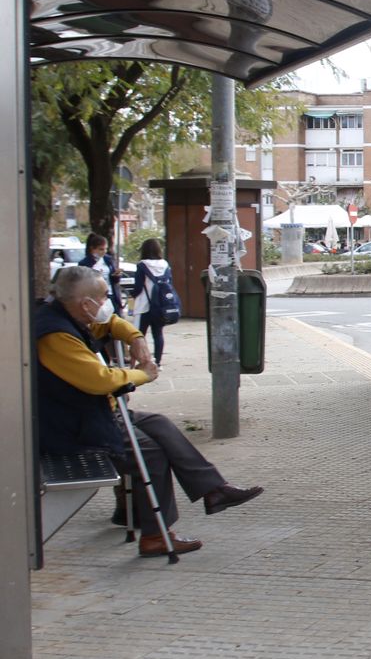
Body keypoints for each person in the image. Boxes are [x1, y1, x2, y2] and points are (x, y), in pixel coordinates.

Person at [37, 266, 263, 557]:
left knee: (158, 423)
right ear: (85, 303)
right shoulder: (56, 335)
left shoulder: (68, 314)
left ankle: (214, 489)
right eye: (104, 296)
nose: (109, 303)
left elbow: (111, 323)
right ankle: (156, 535)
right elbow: (100, 381)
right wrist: (144, 374)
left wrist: (136, 338)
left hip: (86, 413)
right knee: (150, 452)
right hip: (70, 426)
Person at [128, 237, 171, 365]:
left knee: (139, 335)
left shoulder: (142, 265)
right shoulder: (165, 264)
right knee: (158, 334)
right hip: (160, 306)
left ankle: (139, 360)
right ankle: (157, 361)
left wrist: (132, 295)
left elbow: (138, 287)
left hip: (144, 305)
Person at [76, 232, 124, 317]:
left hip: (110, 294)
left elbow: (114, 280)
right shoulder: (85, 263)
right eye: (101, 249)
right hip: (96, 297)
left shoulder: (108, 260)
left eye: (105, 249)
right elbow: (83, 282)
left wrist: (116, 275)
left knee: (115, 320)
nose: (104, 252)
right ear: (93, 249)